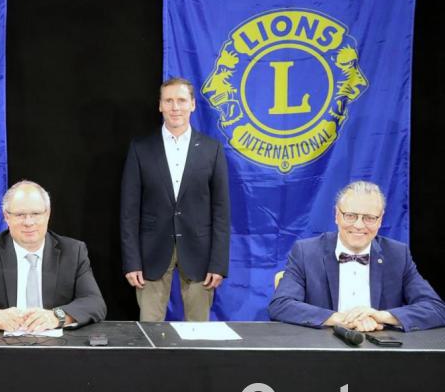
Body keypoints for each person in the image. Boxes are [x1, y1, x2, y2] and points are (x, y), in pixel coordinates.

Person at [120, 77, 230, 322]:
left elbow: (221, 211)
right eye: (168, 101)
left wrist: (218, 264)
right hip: (151, 254)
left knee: (199, 334)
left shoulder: (212, 149)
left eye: (181, 100)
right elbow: (129, 211)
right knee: (150, 331)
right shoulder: (141, 148)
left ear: (193, 104)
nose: (175, 107)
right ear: (160, 105)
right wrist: (132, 261)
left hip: (200, 255)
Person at [269, 181, 445, 332]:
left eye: (369, 218)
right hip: (322, 350)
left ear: (380, 220)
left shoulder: (398, 255)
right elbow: (281, 305)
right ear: (337, 215)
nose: (359, 225)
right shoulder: (306, 252)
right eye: (350, 216)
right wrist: (340, 319)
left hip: (382, 350)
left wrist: (381, 316)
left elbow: (436, 308)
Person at [0, 181, 106, 331]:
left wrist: (57, 317)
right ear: (6, 216)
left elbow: (94, 303)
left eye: (35, 213)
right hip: (3, 345)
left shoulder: (73, 251)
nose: (28, 222)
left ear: (48, 214)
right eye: (20, 215)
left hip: (57, 345)